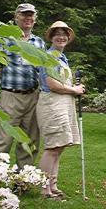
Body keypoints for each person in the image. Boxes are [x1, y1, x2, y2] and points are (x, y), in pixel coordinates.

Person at [0, 3, 45, 168]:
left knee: (30, 138)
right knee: (4, 138)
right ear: (16, 17)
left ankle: (23, 180)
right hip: (10, 95)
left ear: (35, 19)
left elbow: (44, 70)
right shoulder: (5, 40)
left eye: (31, 15)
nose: (28, 18)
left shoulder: (39, 42)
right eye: (24, 14)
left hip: (34, 95)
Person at [36, 21, 85, 199]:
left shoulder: (61, 58)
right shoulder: (48, 57)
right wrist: (74, 90)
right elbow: (51, 84)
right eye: (57, 33)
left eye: (64, 33)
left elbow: (62, 83)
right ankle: (44, 189)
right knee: (52, 147)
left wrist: (76, 89)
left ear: (68, 37)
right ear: (51, 37)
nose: (61, 36)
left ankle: (53, 186)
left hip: (62, 104)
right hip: (52, 105)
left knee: (59, 147)